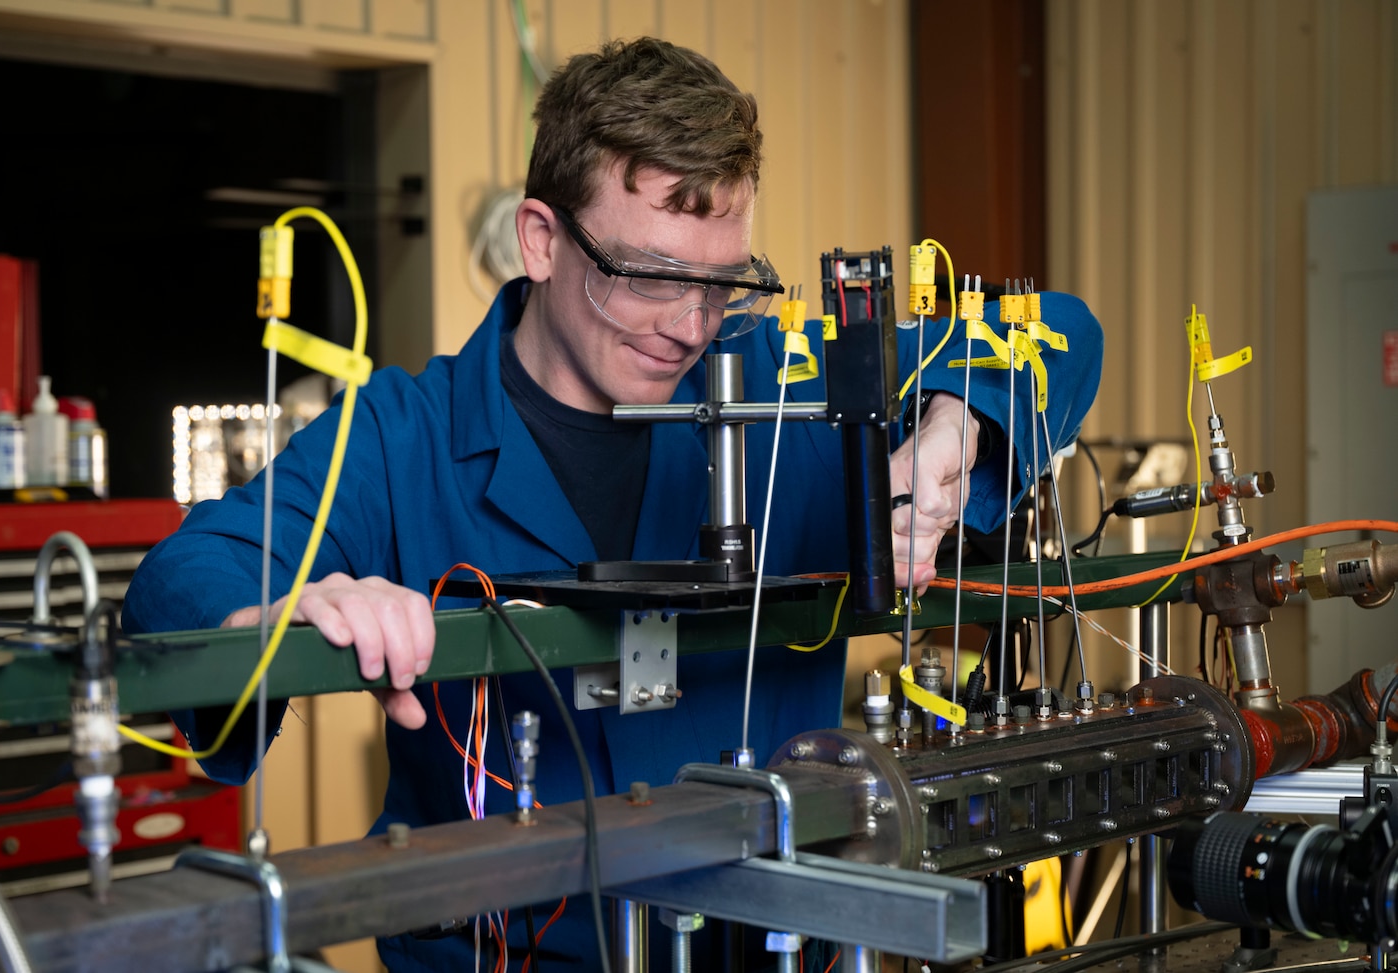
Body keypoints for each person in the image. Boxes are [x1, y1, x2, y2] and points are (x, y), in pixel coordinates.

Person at [123, 37, 1102, 972]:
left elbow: (1059, 331)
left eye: (723, 284)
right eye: (650, 276)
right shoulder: (398, 436)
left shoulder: (788, 378)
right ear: (541, 239)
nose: (688, 327)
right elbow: (186, 574)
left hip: (775, 943)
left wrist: (952, 430)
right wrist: (279, 611)